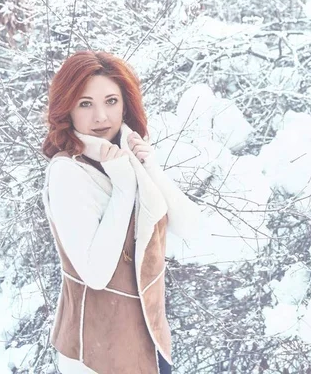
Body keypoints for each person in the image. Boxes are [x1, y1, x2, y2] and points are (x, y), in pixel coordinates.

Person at [41, 50, 201, 374]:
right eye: (85, 103)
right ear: (66, 108)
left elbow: (191, 228)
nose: (101, 117)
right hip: (95, 357)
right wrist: (124, 187)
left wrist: (149, 167)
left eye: (111, 101)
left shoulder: (128, 156)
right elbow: (96, 274)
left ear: (125, 103)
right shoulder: (68, 173)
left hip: (149, 346)